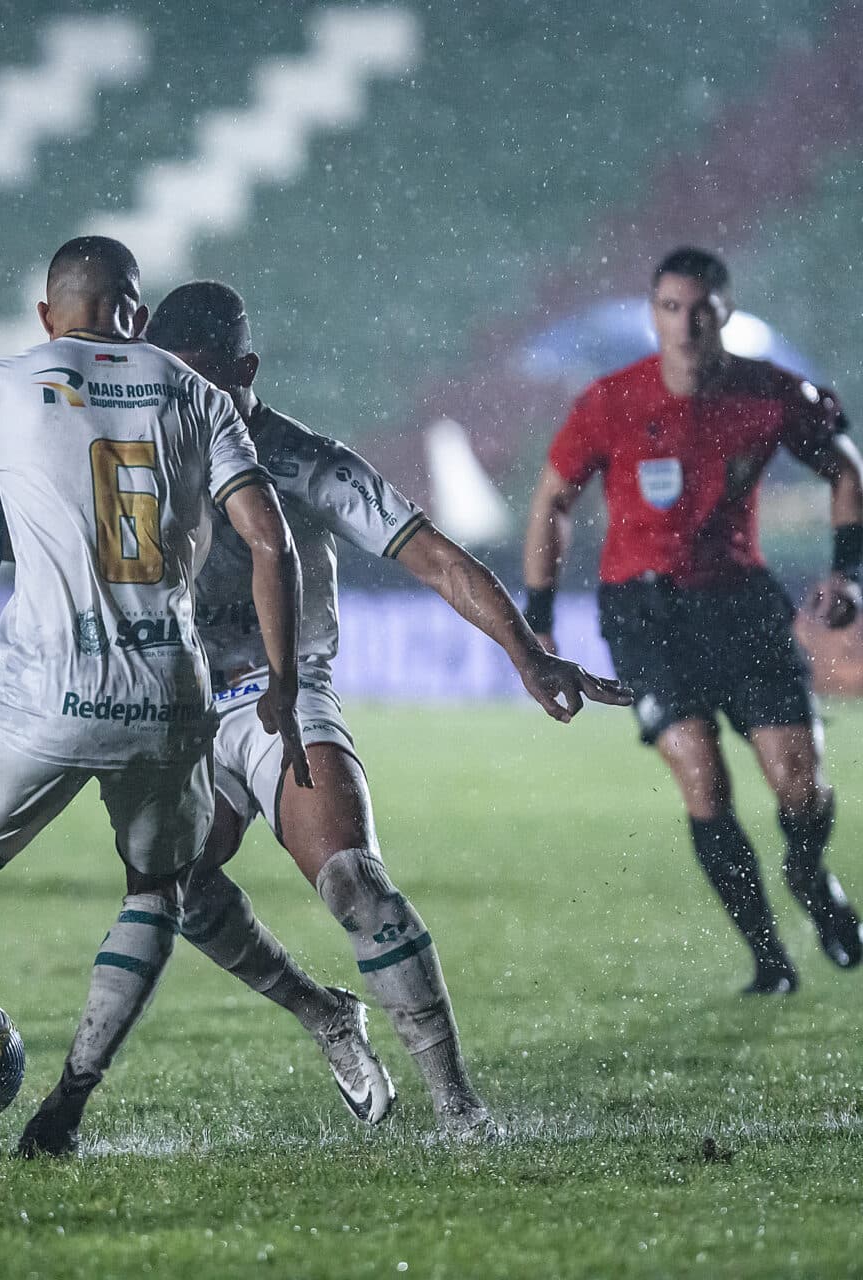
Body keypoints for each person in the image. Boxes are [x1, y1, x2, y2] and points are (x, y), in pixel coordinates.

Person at [34, 281, 628, 1147]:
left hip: (277, 693)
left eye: (207, 382)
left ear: (247, 371)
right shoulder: (135, 446)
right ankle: (324, 1015)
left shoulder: (300, 459)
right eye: (174, 380)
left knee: (355, 882)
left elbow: (431, 555)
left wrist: (525, 650)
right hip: (178, 707)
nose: (190, 402)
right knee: (175, 893)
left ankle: (461, 1114)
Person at [0, 236, 309, 1159]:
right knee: (157, 887)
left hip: (48, 690)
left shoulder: (7, 385)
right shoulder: (197, 393)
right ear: (137, 314)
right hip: (173, 694)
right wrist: (285, 685)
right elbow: (271, 542)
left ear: (50, 315)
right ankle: (67, 1104)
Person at [522, 246, 863, 995]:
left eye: (700, 309)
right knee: (701, 777)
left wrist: (849, 574)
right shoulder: (611, 401)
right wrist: (538, 616)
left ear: (725, 314)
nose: (685, 325)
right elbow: (552, 500)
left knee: (799, 785)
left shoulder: (771, 394)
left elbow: (845, 468)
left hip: (740, 603)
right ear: (654, 316)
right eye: (671, 309)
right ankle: (768, 959)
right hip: (645, 612)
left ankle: (810, 879)